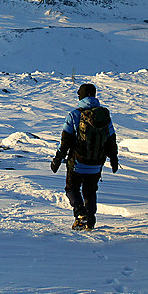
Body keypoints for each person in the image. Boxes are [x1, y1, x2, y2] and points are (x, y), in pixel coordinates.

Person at [50, 83, 119, 230]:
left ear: (80, 96)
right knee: (90, 191)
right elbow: (111, 140)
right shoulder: (104, 116)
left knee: (71, 188)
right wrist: (114, 160)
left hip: (77, 163)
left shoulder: (74, 115)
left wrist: (57, 160)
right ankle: (91, 220)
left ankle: (80, 214)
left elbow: (65, 141)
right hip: (97, 164)